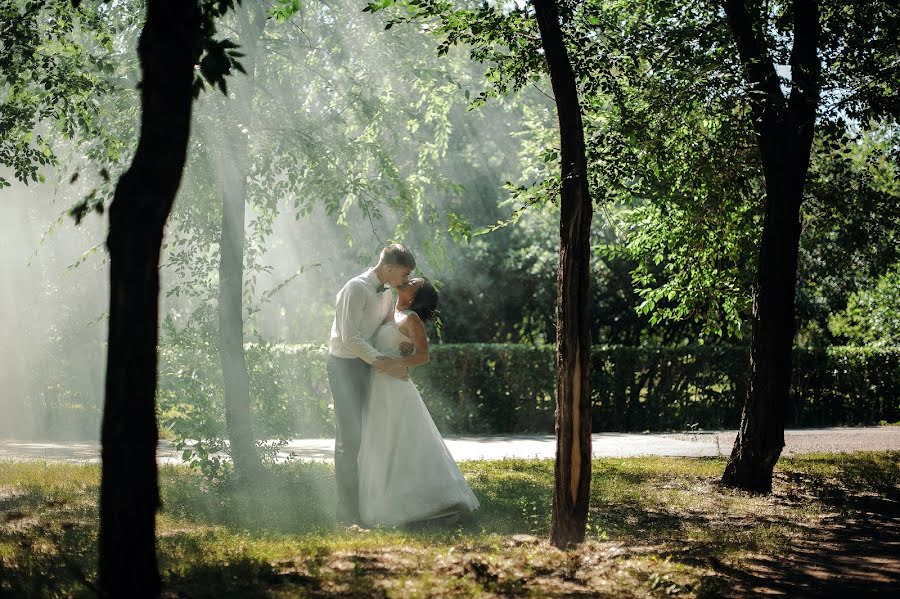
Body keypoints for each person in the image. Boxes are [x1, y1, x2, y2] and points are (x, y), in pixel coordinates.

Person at [358, 277, 480, 528]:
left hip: (397, 386)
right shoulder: (389, 308)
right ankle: (381, 496)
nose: (408, 279)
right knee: (381, 440)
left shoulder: (411, 318)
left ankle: (425, 501)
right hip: (377, 385)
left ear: (415, 295)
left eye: (414, 281)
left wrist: (396, 362)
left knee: (404, 442)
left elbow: (423, 356)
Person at [328, 244, 416, 525]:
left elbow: (380, 329)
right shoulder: (355, 288)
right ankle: (347, 515)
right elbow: (349, 337)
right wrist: (383, 362)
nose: (406, 280)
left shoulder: (386, 292)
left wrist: (401, 346)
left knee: (368, 436)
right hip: (345, 367)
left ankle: (367, 505)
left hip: (369, 364)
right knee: (349, 440)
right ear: (389, 267)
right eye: (404, 274)